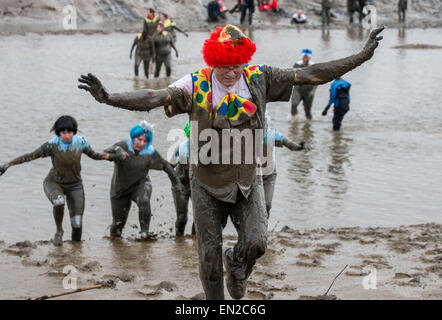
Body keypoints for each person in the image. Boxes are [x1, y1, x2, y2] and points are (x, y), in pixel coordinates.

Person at [78, 24, 384, 299]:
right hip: (207, 184)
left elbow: (312, 74)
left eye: (235, 65)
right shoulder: (196, 83)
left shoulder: (259, 77)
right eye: (223, 66)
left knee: (257, 243)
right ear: (213, 60)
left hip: (248, 182)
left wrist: (362, 56)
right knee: (208, 259)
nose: (230, 72)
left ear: (244, 61)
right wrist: (110, 98)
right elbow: (155, 96)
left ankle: (236, 264)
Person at [0, 116, 114, 246]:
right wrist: (7, 165)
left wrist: (111, 157)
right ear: (58, 133)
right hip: (54, 182)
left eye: (69, 132)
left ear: (74, 131)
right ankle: (59, 231)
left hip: (75, 185)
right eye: (63, 132)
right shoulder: (52, 145)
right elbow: (30, 156)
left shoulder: (81, 142)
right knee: (59, 202)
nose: (67, 135)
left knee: (77, 223)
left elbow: (95, 155)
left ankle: (76, 249)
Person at [104, 121, 182, 239]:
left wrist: (176, 183)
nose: (141, 143)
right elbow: (103, 153)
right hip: (120, 188)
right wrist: (116, 150)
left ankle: (144, 234)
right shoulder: (123, 145)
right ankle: (115, 245)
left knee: (144, 200)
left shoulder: (149, 152)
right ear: (133, 137)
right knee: (118, 224)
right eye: (139, 139)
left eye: (145, 141)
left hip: (140, 184)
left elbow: (165, 166)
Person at [262, 113, 308, 217]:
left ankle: (264, 227)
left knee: (267, 204)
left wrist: (301, 146)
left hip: (268, 175)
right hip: (252, 175)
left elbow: (291, 145)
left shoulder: (271, 135)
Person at [171, 121, 195, 236]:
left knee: (200, 217)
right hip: (181, 184)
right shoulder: (181, 148)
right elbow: (169, 166)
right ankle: (179, 241)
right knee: (182, 217)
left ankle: (196, 241)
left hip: (197, 185)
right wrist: (175, 182)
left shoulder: (207, 148)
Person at [290, 49, 317, 120]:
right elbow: (291, 75)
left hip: (309, 90)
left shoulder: (313, 66)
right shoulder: (297, 64)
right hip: (298, 89)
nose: (305, 59)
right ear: (302, 57)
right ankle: (294, 122)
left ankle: (308, 125)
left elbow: (317, 80)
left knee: (307, 110)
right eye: (304, 57)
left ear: (309, 58)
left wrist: (313, 91)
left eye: (307, 57)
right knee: (294, 105)